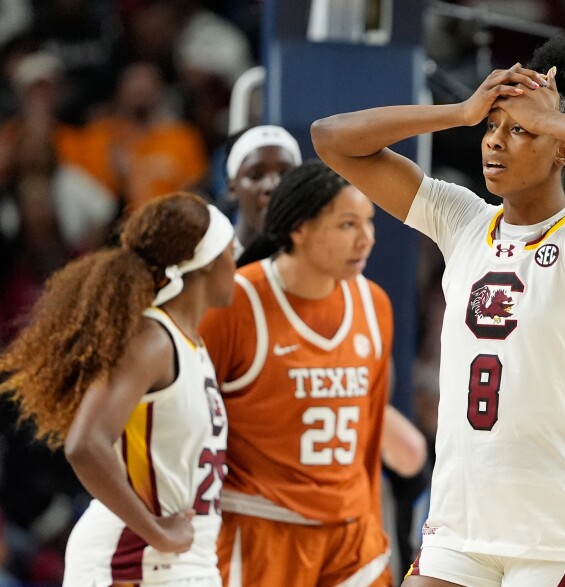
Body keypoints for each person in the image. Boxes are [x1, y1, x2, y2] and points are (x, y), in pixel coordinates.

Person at [312, 31, 565, 586]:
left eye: (518, 130)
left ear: (563, 150)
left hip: (561, 529)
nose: (495, 142)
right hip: (461, 520)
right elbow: (331, 139)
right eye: (492, 129)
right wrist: (460, 110)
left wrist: (547, 117)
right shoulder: (462, 220)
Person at [0, 192, 237, 585]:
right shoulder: (152, 340)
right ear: (206, 263)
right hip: (131, 559)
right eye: (231, 251)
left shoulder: (189, 343)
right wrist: (157, 531)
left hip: (180, 559)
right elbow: (85, 443)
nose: (236, 260)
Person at [199, 160, 400, 586]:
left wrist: (374, 525)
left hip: (352, 536)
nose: (366, 238)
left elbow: (371, 435)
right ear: (299, 229)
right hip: (261, 528)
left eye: (368, 221)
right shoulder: (236, 302)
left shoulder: (374, 304)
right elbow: (187, 425)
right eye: (347, 224)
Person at [223, 125, 303, 250]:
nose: (272, 186)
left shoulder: (321, 261)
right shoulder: (210, 263)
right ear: (232, 188)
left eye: (285, 174)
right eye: (256, 175)